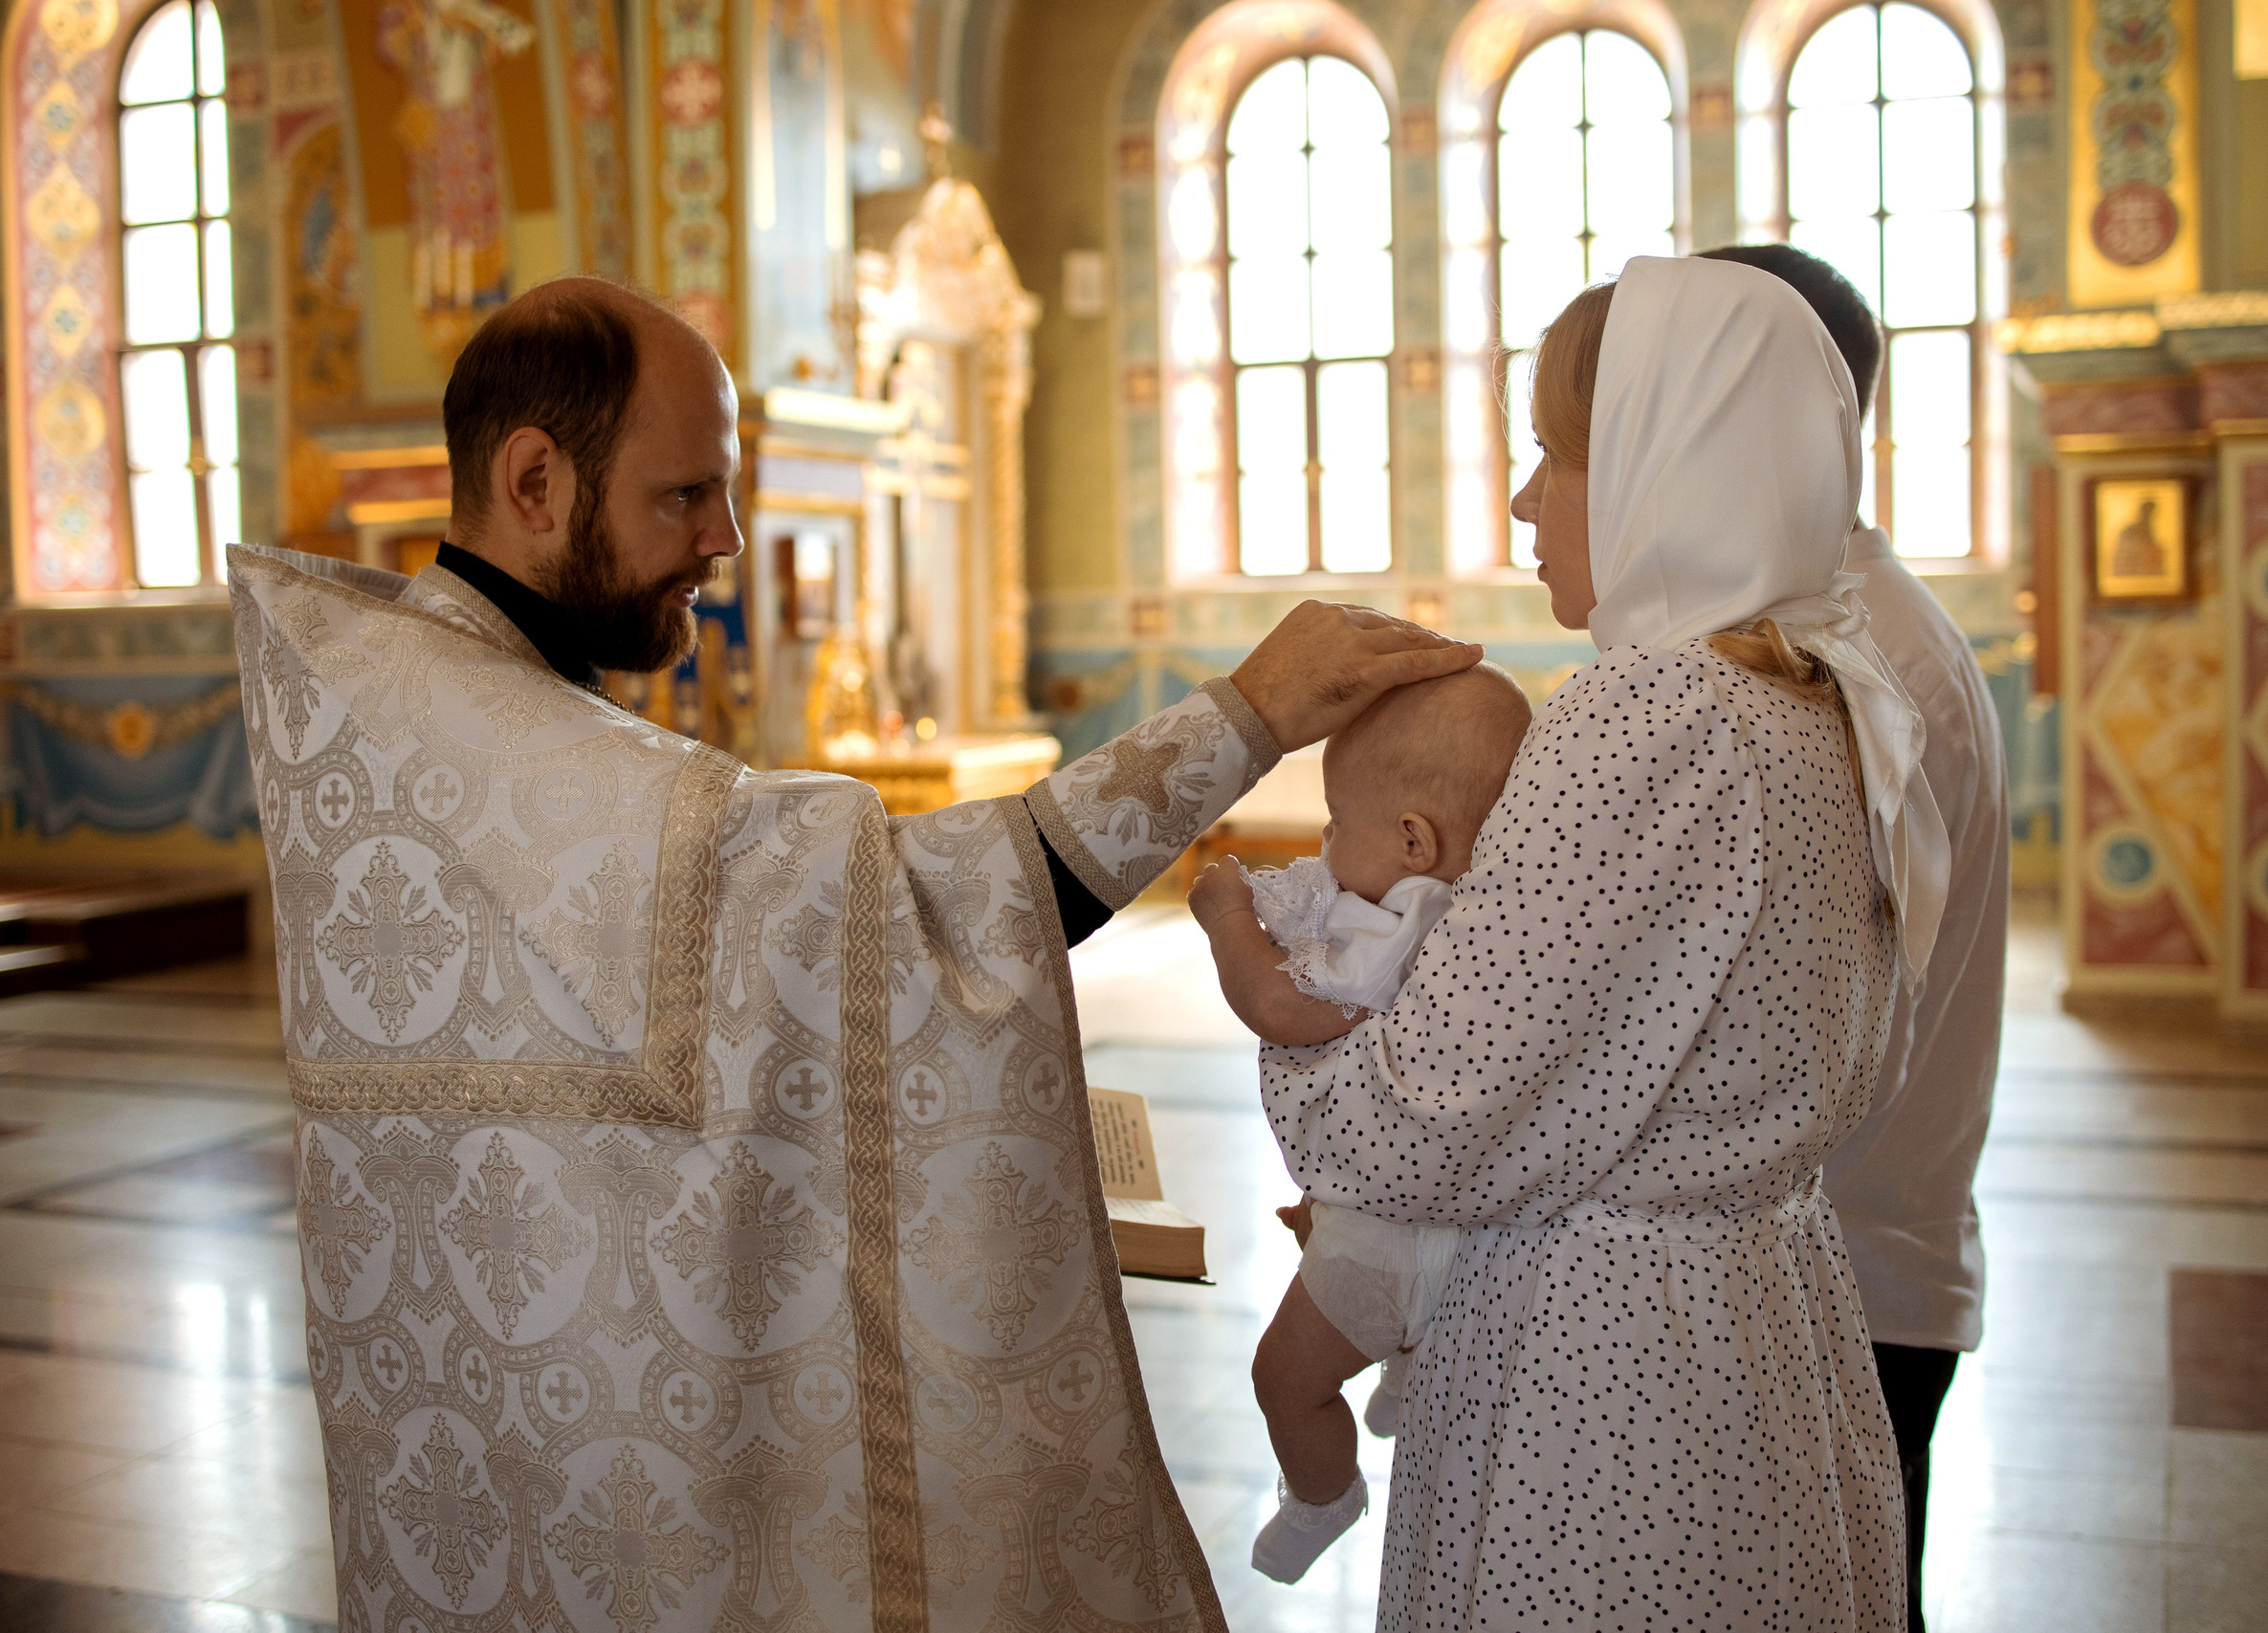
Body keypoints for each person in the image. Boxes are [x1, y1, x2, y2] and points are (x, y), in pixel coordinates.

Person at [226, 276, 1483, 1632]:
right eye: (684, 495)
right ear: (536, 478)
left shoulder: (420, 708)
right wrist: (1243, 718)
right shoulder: (479, 733)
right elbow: (900, 909)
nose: (727, 534)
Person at [1200, 254, 1945, 1630]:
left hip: (1603, 1375)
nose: (1527, 498)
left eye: (1556, 454)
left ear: (1676, 462)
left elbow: (1407, 1125)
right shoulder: (1825, 706)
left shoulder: (1644, 715)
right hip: (1770, 1323)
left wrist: (1285, 1004)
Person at [1702, 242, 2011, 1633]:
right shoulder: (1837, 623)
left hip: (1840, 1276)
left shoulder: (1840, 659)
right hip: (1857, 1257)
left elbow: (1735, 1028)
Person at [1189, 664, 1531, 1583]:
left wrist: (1226, 918)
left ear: (1414, 839)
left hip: (1389, 1240)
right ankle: (1404, 1366)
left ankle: (1323, 1493)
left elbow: (1280, 1005)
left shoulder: (1401, 921)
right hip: (1433, 1223)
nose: (1328, 840)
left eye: (1339, 822)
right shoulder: (1463, 912)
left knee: (1284, 1379)